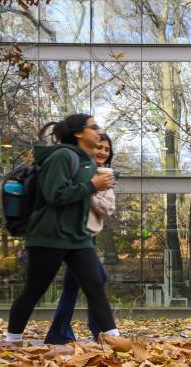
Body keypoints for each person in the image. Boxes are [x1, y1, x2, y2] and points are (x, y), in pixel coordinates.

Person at [5, 114, 119, 345]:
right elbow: (54, 195)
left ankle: (115, 340)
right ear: (78, 133)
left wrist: (96, 189)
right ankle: (12, 340)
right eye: (93, 127)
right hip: (49, 235)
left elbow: (82, 197)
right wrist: (92, 186)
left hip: (78, 237)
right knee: (34, 290)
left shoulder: (86, 161)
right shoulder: (62, 156)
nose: (99, 131)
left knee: (95, 286)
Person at [44, 131, 116, 345]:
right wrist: (91, 188)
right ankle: (100, 330)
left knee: (72, 286)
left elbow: (107, 208)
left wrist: (92, 190)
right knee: (97, 279)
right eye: (99, 147)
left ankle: (59, 332)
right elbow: (65, 195)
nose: (102, 152)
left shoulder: (105, 174)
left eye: (106, 149)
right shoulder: (77, 169)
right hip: (72, 236)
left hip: (88, 237)